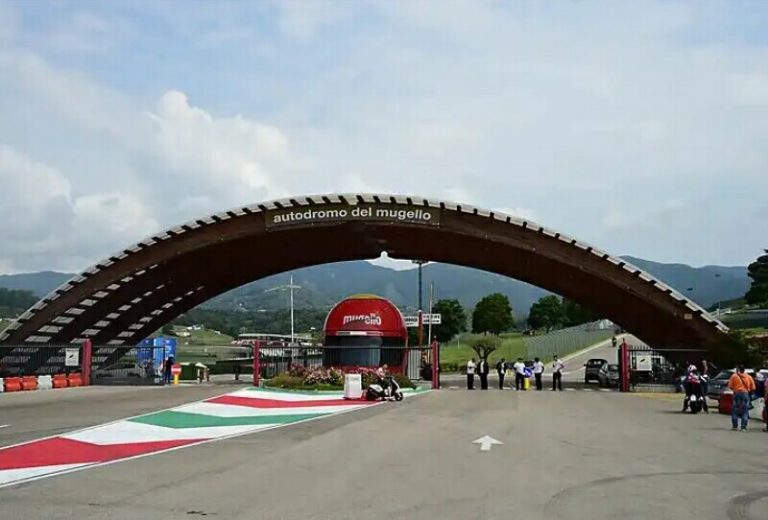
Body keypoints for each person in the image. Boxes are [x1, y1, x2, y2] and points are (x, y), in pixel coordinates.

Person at [728, 365, 755, 431]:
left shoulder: (734, 376)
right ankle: (743, 426)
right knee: (745, 410)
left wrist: (735, 388)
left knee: (735, 409)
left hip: (737, 393)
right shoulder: (749, 377)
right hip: (745, 393)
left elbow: (730, 386)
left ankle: (734, 426)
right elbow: (753, 387)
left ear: (738, 369)